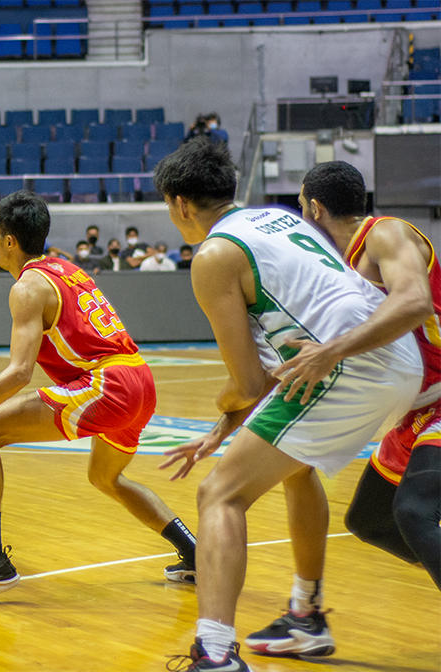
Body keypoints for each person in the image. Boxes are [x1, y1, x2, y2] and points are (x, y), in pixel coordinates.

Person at [155, 140, 422, 671]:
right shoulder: (278, 219)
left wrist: (225, 404)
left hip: (343, 361)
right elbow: (269, 374)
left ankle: (214, 651)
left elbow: (249, 383)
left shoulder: (212, 256)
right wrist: (222, 428)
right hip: (392, 349)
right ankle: (305, 616)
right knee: (295, 470)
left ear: (180, 204)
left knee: (220, 494)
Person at [0, 190, 199, 603]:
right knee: (104, 477)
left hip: (107, 386)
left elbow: (18, 373)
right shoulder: (67, 268)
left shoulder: (27, 287)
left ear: (10, 241)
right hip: (140, 380)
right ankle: (194, 552)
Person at [275, 161, 440, 596]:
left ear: (314, 207)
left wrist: (330, 351)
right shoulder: (336, 263)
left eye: (299, 207)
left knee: (415, 512)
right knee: (368, 521)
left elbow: (415, 304)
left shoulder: (386, 233)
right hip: (417, 411)